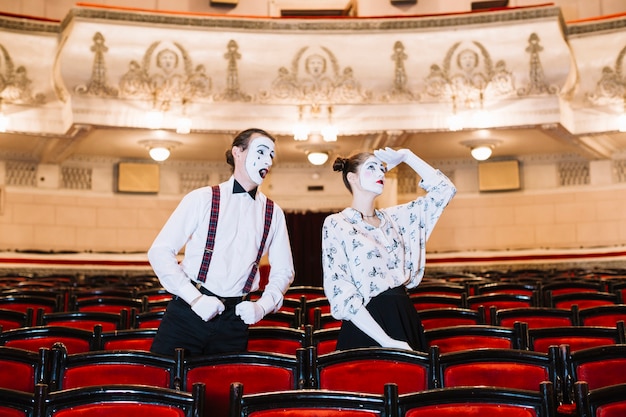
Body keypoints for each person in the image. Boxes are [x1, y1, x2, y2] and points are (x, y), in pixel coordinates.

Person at [148, 128, 295, 356]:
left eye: (271, 155)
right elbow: (159, 252)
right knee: (165, 387)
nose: (268, 161)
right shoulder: (202, 198)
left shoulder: (273, 213)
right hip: (187, 314)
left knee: (223, 390)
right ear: (237, 152)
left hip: (234, 321)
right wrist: (195, 299)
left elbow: (284, 270)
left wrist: (263, 305)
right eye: (262, 152)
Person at [321, 147, 456, 351]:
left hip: (403, 316)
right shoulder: (337, 223)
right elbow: (340, 289)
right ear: (352, 178)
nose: (380, 173)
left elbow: (444, 190)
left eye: (382, 169)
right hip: (366, 323)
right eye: (371, 168)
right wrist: (386, 341)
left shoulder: (396, 219)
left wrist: (408, 156)